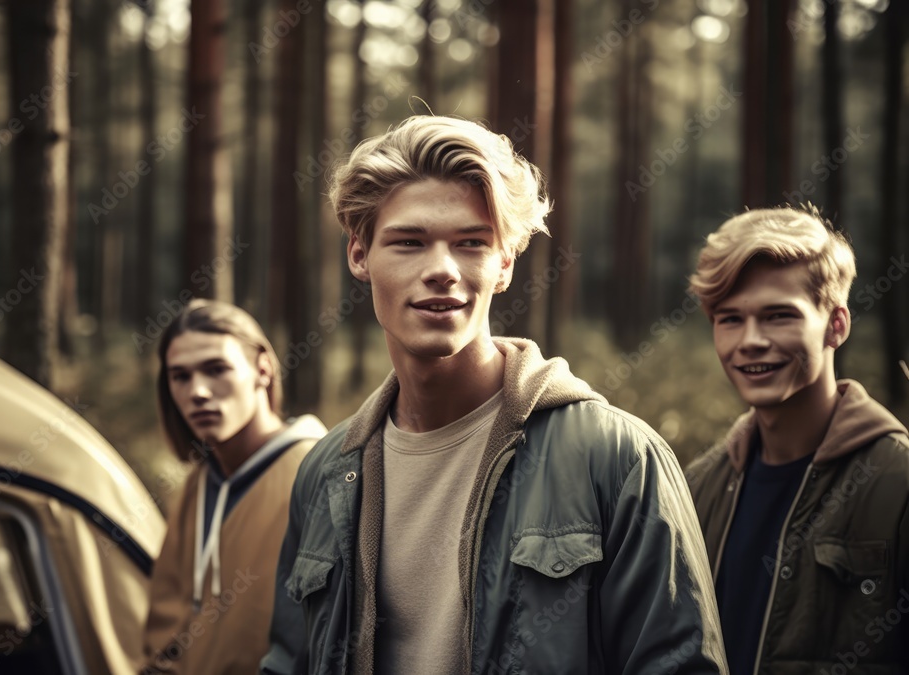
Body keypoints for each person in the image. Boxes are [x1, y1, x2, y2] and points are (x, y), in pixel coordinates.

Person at [260, 115, 727, 674]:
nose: (442, 271)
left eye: (471, 244)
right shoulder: (325, 472)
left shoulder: (619, 458)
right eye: (409, 242)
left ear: (505, 263)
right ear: (359, 256)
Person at [685, 206, 909, 674]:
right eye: (729, 319)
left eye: (778, 316)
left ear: (837, 325)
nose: (750, 341)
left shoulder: (898, 483)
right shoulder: (694, 489)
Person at [141, 299, 327, 674]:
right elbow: (167, 613)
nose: (198, 392)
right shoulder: (201, 479)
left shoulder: (316, 474)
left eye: (216, 369)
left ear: (263, 368)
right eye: (181, 376)